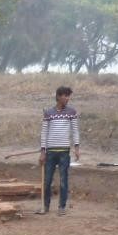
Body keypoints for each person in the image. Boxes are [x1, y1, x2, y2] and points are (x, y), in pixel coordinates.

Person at [38, 85, 79, 214]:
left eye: (68, 96)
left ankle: (61, 207)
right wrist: (43, 151)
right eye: (65, 96)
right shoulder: (48, 113)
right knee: (47, 180)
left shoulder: (71, 112)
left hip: (64, 152)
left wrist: (77, 147)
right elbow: (44, 132)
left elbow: (75, 130)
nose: (67, 98)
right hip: (50, 152)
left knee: (63, 180)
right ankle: (45, 206)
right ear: (58, 97)